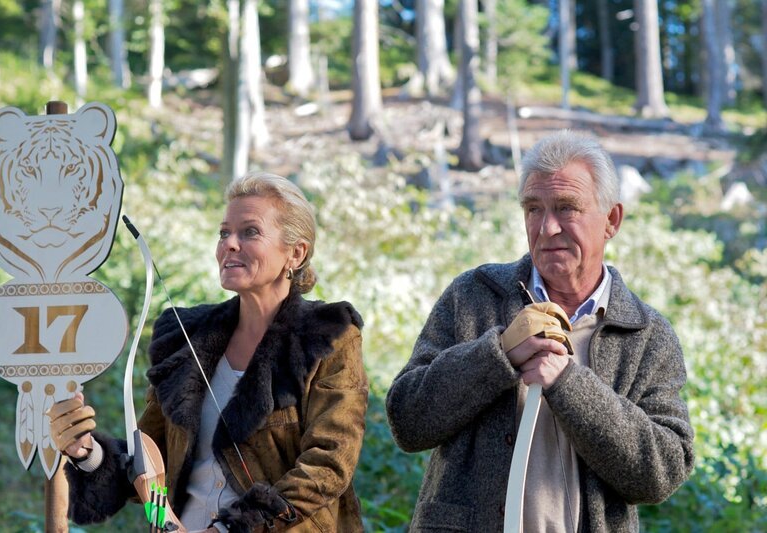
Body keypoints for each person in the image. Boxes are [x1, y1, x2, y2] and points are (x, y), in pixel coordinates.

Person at [385, 130, 694, 532]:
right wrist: (496, 354)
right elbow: (408, 422)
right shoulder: (473, 295)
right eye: (533, 209)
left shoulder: (647, 335)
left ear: (612, 220)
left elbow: (662, 473)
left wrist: (567, 382)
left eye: (566, 208)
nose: (546, 228)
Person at [48, 172, 368, 532]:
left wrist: (230, 528)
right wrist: (88, 453)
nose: (229, 244)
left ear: (295, 253)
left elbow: (328, 464)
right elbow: (149, 466)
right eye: (223, 232)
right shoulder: (189, 336)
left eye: (250, 232)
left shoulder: (329, 336)